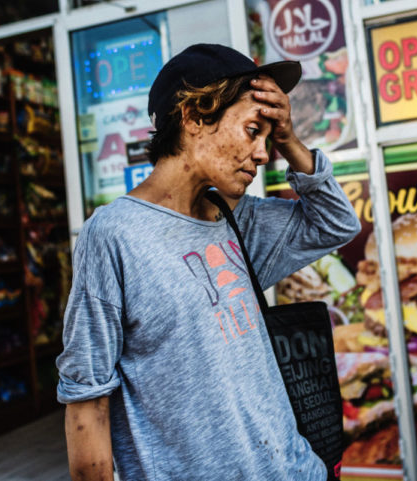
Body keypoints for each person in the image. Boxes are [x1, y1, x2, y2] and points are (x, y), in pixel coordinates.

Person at [57, 43, 360, 481]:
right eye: (253, 130)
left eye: (267, 137)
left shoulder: (238, 220)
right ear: (196, 116)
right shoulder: (114, 234)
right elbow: (87, 397)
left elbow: (336, 224)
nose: (262, 153)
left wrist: (290, 140)